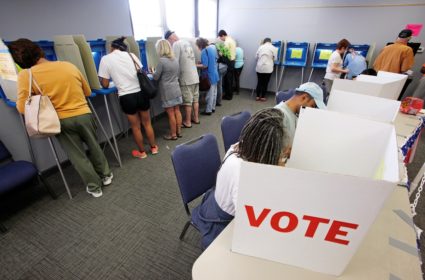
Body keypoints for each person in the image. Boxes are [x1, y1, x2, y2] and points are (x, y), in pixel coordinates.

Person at [10, 38, 113, 198]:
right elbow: (87, 92)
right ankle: (106, 176)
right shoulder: (68, 66)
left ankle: (95, 187)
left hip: (60, 121)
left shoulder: (26, 75)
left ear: (19, 60)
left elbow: (22, 107)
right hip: (84, 114)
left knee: (77, 155)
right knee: (94, 146)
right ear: (38, 50)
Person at [191, 108, 291, 249]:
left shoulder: (244, 146)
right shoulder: (242, 175)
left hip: (218, 198)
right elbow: (248, 222)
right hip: (222, 220)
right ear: (265, 152)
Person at [98, 37, 158, 159]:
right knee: (147, 123)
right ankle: (154, 147)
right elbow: (141, 71)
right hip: (141, 93)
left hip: (126, 96)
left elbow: (104, 84)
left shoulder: (105, 59)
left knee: (136, 127)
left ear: (111, 47)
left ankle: (142, 153)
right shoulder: (131, 55)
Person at [165, 30, 200, 127]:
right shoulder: (187, 42)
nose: (170, 44)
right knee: (195, 99)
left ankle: (188, 122)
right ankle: (196, 118)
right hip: (195, 76)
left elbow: (175, 62)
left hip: (186, 78)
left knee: (188, 102)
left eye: (169, 42)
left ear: (170, 38)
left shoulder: (176, 44)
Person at [152, 39, 183, 140]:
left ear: (160, 49)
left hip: (167, 91)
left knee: (170, 114)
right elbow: (177, 74)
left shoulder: (161, 61)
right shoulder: (174, 59)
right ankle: (179, 132)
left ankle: (173, 135)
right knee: (177, 111)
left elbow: (156, 77)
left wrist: (152, 71)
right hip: (176, 88)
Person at [196, 38, 219, 115]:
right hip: (215, 73)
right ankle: (212, 108)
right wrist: (201, 62)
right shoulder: (211, 49)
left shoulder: (203, 51)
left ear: (200, 45)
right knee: (214, 92)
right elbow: (211, 61)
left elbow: (205, 66)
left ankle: (208, 110)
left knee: (210, 94)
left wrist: (195, 65)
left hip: (209, 75)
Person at [218, 30, 237, 100]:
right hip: (233, 61)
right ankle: (230, 94)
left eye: (220, 38)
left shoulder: (227, 42)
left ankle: (228, 96)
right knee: (230, 79)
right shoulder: (232, 40)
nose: (221, 39)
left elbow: (223, 53)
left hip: (229, 62)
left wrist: (220, 53)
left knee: (227, 79)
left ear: (222, 35)